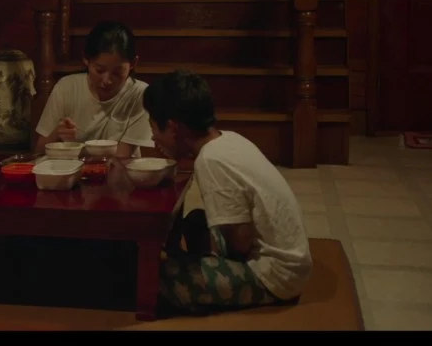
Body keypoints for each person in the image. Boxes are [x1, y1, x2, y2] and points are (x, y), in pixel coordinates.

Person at [141, 69, 312, 314]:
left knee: (155, 277)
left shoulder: (211, 160)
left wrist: (209, 262)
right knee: (196, 220)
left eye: (155, 129)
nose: (153, 137)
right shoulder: (228, 139)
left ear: (173, 127)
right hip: (289, 260)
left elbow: (240, 243)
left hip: (277, 275)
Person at [33, 20, 154, 157]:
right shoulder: (67, 88)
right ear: (86, 60)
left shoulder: (140, 94)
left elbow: (123, 157)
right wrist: (57, 133)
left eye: (117, 72)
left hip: (120, 169)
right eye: (99, 70)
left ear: (133, 64)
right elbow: (39, 151)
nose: (107, 80)